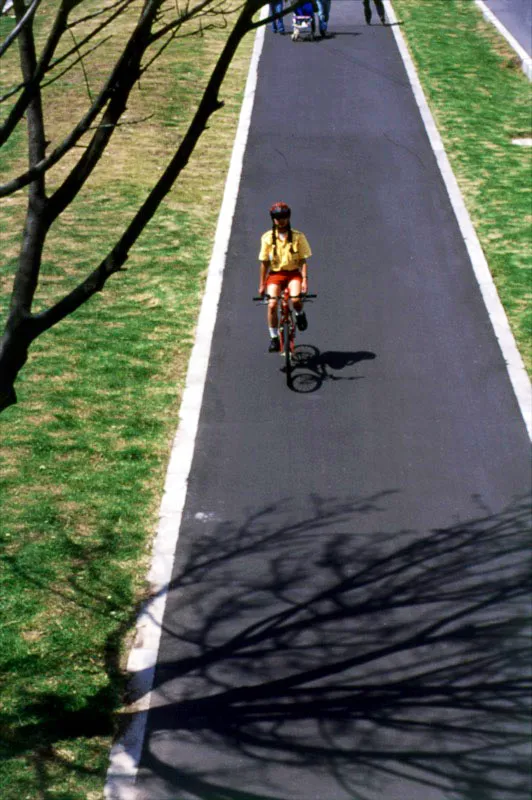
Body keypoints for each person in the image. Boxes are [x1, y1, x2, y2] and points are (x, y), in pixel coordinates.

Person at [258, 202, 312, 352]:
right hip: (276, 275)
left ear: (288, 217)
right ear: (273, 219)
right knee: (272, 304)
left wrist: (304, 280)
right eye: (277, 217)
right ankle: (274, 338)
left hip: (293, 273)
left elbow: (303, 260)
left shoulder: (298, 236)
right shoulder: (267, 238)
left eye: (284, 217)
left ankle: (300, 314)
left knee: (295, 299)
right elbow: (264, 262)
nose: (281, 220)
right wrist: (262, 284)